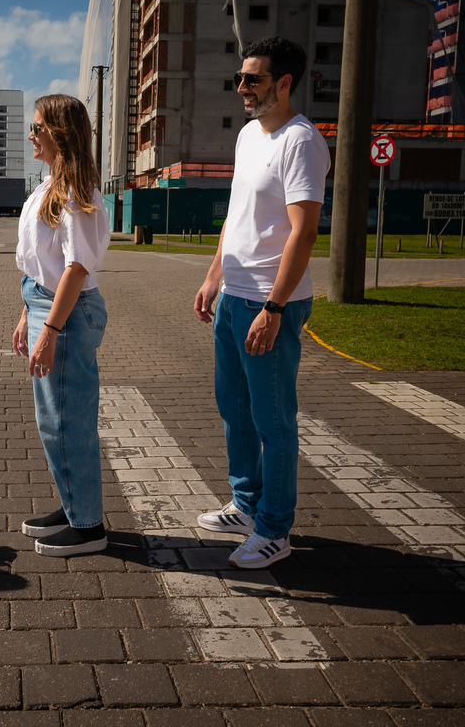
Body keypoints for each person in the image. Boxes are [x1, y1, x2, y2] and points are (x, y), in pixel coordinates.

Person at [192, 36, 331, 569]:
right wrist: (213, 276)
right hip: (234, 296)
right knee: (234, 409)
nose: (242, 88)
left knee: (273, 421)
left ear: (285, 82)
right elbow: (237, 214)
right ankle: (246, 505)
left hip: (270, 304)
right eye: (240, 78)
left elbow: (304, 231)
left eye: (253, 79)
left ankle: (274, 529)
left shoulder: (301, 141)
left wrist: (274, 308)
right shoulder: (249, 135)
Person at [14, 93, 111, 557]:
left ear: (60, 133)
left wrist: (49, 331)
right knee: (53, 421)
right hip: (46, 305)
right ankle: (74, 506)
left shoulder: (77, 192)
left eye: (37, 128)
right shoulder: (51, 185)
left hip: (65, 313)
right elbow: (42, 263)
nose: (30, 135)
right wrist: (26, 314)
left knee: (67, 423)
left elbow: (75, 268)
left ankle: (88, 527)